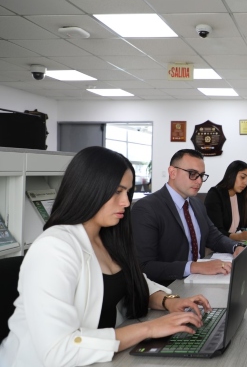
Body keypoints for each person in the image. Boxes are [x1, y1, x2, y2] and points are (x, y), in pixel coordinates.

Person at [0, 147, 211, 367]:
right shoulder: (53, 249)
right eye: (117, 192)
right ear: (88, 189)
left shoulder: (109, 237)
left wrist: (170, 302)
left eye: (127, 192)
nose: (126, 202)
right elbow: (59, 351)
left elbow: (137, 283)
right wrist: (149, 328)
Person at [132, 149, 243, 286]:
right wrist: (195, 267)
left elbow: (215, 237)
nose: (199, 181)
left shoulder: (197, 204)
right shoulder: (147, 208)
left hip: (198, 281)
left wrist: (236, 247)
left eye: (201, 175)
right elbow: (144, 266)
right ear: (172, 172)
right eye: (192, 174)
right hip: (167, 288)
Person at [204, 160, 247, 241]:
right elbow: (216, 231)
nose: (246, 183)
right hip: (216, 244)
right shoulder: (215, 194)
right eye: (242, 177)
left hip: (232, 243)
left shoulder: (241, 195)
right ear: (230, 175)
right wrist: (239, 237)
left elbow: (245, 224)